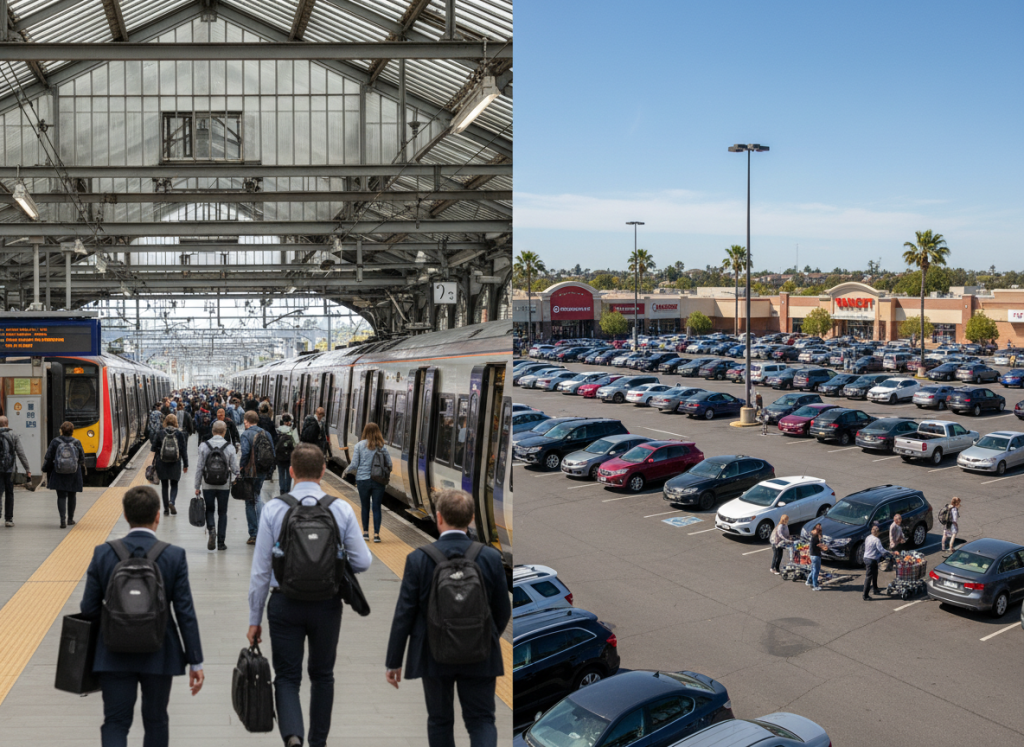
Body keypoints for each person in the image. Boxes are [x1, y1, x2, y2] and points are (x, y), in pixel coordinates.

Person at [246, 444, 371, 747]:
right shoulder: (339, 508)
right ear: (323, 472)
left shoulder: (275, 508)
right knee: (322, 675)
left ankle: (293, 737)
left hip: (284, 604)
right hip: (327, 605)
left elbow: (261, 571)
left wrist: (254, 619)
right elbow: (363, 561)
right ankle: (318, 742)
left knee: (287, 677)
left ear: (291, 471)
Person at [385, 489, 512, 747]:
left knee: (440, 720)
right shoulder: (489, 557)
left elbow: (404, 614)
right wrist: (483, 637)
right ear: (472, 518)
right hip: (480, 654)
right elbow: (503, 610)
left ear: (438, 517)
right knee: (481, 720)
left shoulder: (418, 559)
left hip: (433, 654)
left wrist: (393, 662)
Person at [79, 485, 204, 747]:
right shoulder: (173, 556)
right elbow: (185, 613)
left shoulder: (103, 553)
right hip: (160, 653)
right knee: (156, 720)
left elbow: (89, 608)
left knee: (115, 722)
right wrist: (195, 662)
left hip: (112, 655)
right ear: (158, 515)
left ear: (125, 515)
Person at [195, 420, 240, 551]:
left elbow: (199, 467)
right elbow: (235, 468)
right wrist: (237, 479)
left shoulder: (203, 446)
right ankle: (221, 543)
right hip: (224, 485)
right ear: (224, 432)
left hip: (207, 484)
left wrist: (197, 486)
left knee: (209, 510)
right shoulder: (230, 447)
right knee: (223, 512)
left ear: (212, 431)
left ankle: (211, 529)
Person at [344, 422, 392, 543]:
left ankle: (365, 533)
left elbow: (354, 464)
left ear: (364, 431)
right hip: (379, 481)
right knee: (376, 507)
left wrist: (346, 471)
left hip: (362, 480)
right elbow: (390, 464)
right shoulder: (382, 446)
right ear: (378, 432)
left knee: (365, 506)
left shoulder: (359, 446)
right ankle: (376, 535)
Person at [240, 410, 275, 545]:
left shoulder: (246, 434)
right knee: (257, 496)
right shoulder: (265, 433)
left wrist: (241, 467)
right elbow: (272, 451)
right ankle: (263, 530)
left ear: (246, 421)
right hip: (262, 471)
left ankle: (254, 533)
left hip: (250, 472)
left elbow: (245, 453)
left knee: (250, 500)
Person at [43, 421, 86, 528]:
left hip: (59, 471)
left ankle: (62, 520)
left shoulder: (55, 442)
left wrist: (45, 468)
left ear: (61, 430)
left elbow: (48, 456)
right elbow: (82, 458)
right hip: (74, 472)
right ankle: (70, 519)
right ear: (72, 431)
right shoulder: (77, 442)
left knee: (61, 496)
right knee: (72, 495)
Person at [150, 414, 188, 517]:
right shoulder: (180, 434)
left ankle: (166, 509)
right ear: (176, 422)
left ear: (165, 422)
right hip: (175, 463)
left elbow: (153, 448)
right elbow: (183, 450)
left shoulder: (160, 433)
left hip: (162, 462)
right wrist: (186, 464)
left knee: (164, 485)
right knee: (174, 484)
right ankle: (172, 501)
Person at [0, 415, 31, 527]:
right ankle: (8, 519)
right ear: (7, 424)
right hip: (10, 470)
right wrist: (27, 469)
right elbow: (21, 453)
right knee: (9, 493)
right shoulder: (13, 435)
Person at [862, 525, 892, 600]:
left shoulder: (868, 537)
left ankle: (875, 589)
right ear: (877, 532)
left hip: (867, 558)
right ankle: (865, 595)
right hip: (871, 560)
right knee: (868, 577)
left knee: (875, 573)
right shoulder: (876, 540)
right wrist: (890, 552)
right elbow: (881, 550)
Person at [275, 414, 297, 494]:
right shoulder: (292, 430)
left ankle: (282, 489)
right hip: (289, 456)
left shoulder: (278, 430)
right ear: (289, 422)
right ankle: (287, 489)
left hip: (279, 456)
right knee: (288, 473)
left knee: (281, 473)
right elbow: (296, 443)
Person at [806, 523, 825, 591]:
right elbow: (820, 546)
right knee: (816, 571)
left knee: (814, 569)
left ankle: (808, 581)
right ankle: (815, 586)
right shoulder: (816, 537)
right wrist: (824, 547)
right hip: (816, 555)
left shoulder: (814, 536)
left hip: (812, 555)